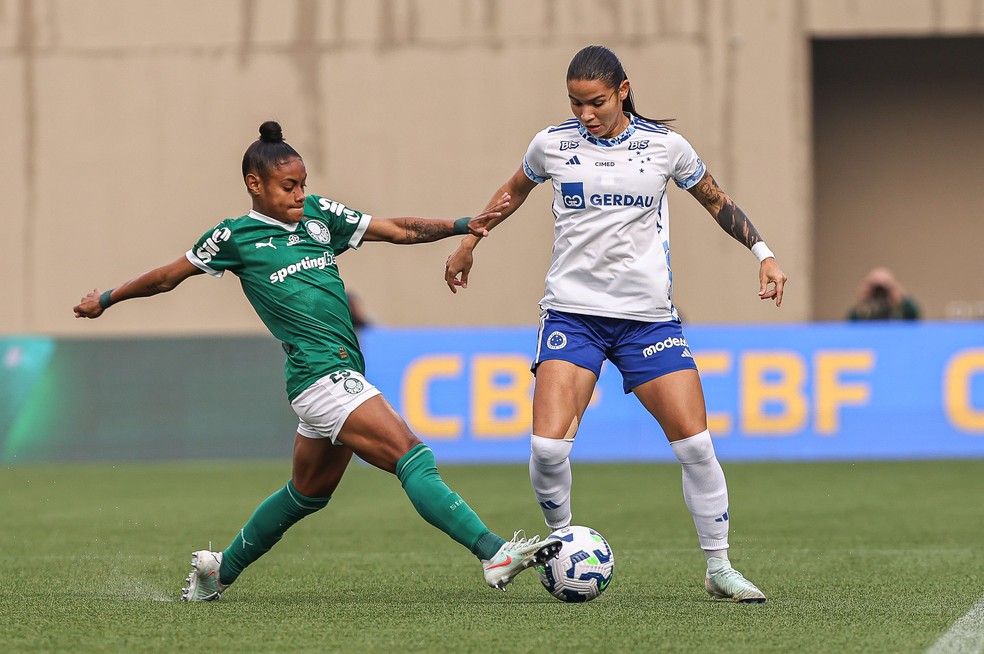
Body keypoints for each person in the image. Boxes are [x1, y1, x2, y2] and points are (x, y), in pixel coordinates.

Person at [73, 121, 561, 601]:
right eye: (289, 186)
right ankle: (492, 552)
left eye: (303, 184)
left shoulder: (319, 216)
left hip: (335, 374)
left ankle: (218, 571)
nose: (300, 194)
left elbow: (396, 229)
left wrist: (460, 226)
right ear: (255, 184)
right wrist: (108, 299)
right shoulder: (234, 237)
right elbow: (167, 277)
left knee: (307, 493)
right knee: (412, 456)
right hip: (320, 374)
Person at [444, 46, 787, 603]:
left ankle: (719, 567)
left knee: (696, 446)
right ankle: (562, 547)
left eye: (597, 102)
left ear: (622, 91)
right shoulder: (550, 145)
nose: (586, 115)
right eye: (575, 103)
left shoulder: (665, 146)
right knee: (548, 449)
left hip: (647, 322)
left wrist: (764, 255)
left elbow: (716, 201)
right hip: (573, 315)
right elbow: (513, 191)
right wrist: (469, 241)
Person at [846, 267, 920, 321]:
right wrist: (863, 298)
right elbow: (851, 323)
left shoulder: (899, 311)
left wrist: (897, 294)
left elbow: (914, 316)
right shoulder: (864, 311)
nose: (880, 290)